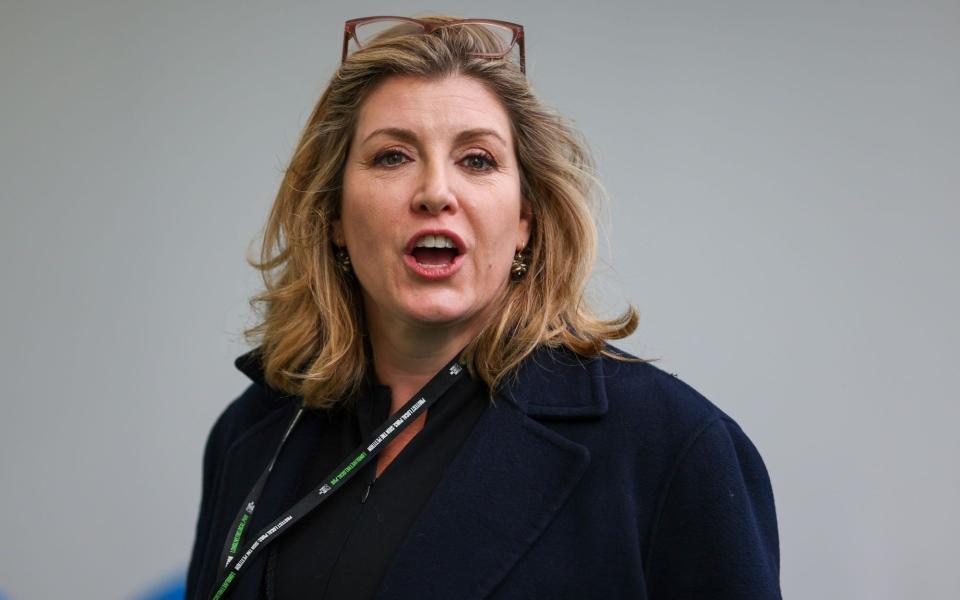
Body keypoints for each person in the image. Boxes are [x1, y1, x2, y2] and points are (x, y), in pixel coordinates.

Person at [185, 15, 781, 600]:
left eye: (477, 160)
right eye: (393, 156)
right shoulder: (253, 430)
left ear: (525, 219)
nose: (436, 192)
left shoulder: (669, 445)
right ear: (335, 216)